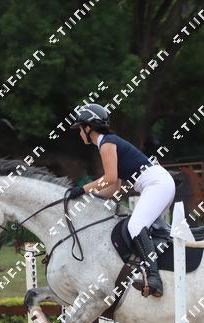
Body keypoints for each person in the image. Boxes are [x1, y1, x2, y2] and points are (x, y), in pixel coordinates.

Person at [65, 103, 174, 297]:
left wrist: (82, 189)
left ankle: (154, 278)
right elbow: (114, 187)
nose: (79, 133)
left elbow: (110, 178)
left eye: (80, 129)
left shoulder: (106, 143)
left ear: (88, 128)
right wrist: (90, 201)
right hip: (158, 185)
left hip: (157, 185)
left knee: (135, 226)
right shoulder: (108, 143)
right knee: (142, 227)